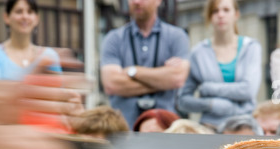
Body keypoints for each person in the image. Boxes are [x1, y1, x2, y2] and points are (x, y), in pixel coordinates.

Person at [100, 0, 190, 129]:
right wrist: (162, 79)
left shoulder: (177, 36)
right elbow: (111, 84)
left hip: (165, 129)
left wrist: (133, 71)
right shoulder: (113, 39)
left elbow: (177, 78)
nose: (136, 2)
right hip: (124, 130)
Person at [177, 0, 262, 131]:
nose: (220, 15)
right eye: (215, 11)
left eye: (226, 10)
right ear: (209, 16)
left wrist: (209, 88)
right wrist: (210, 104)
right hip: (209, 128)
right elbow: (183, 101)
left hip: (244, 129)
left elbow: (248, 90)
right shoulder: (198, 53)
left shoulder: (251, 47)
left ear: (236, 14)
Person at [0, 0, 61, 81]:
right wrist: (36, 72)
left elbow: (58, 91)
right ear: (6, 17)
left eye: (30, 12)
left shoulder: (50, 55)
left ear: (37, 19)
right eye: (19, 11)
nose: (25, 16)